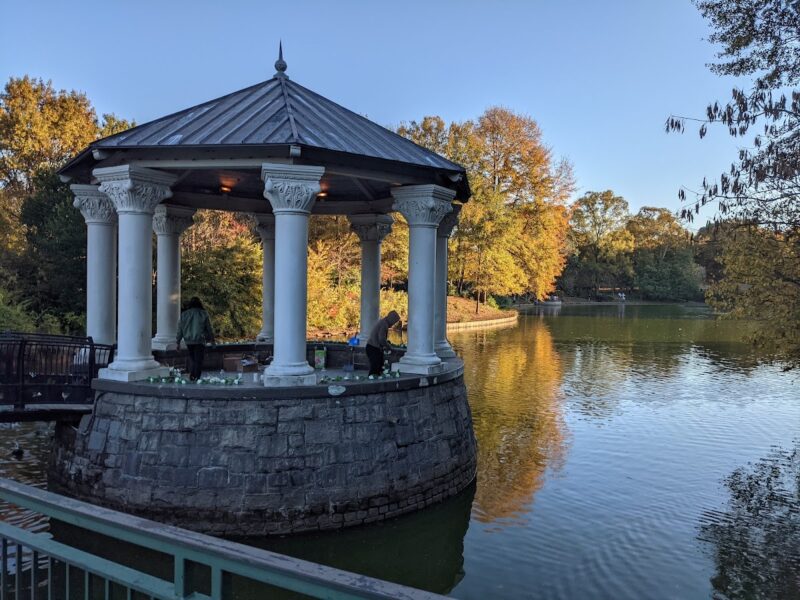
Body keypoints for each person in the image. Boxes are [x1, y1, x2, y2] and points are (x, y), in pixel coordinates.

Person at [176, 297, 215, 381]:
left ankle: (193, 376)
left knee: (193, 359)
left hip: (188, 341)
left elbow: (180, 330)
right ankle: (195, 377)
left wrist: (178, 342)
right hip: (199, 340)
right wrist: (212, 340)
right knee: (198, 360)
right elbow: (209, 328)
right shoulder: (203, 313)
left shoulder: (184, 314)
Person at [365, 310, 400, 376]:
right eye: (394, 322)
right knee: (375, 367)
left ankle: (377, 380)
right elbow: (382, 339)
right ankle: (372, 381)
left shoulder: (383, 322)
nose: (393, 324)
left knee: (380, 366)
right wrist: (389, 346)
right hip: (373, 348)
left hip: (374, 348)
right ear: (391, 319)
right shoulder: (384, 325)